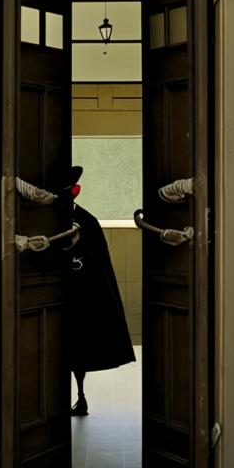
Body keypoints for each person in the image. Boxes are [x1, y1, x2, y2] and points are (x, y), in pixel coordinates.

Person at [65, 166, 136, 416]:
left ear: (75, 192)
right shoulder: (64, 220)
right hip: (63, 295)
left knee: (77, 348)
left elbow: (97, 262)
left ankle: (80, 396)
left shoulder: (87, 222)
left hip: (81, 295)